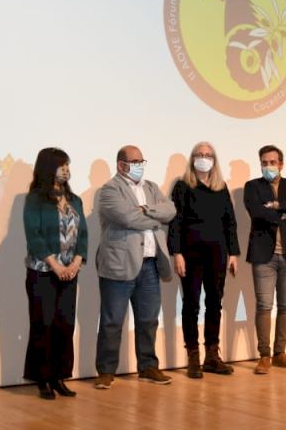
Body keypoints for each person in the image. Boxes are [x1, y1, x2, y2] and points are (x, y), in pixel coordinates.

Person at [93, 145, 176, 389]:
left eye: (141, 161)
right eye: (134, 161)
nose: (139, 165)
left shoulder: (151, 187)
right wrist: (154, 218)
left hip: (150, 265)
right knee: (112, 321)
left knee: (148, 320)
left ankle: (148, 367)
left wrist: (146, 210)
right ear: (121, 165)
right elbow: (127, 218)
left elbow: (170, 211)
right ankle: (106, 371)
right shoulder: (109, 190)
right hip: (119, 265)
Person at [168, 142, 240, 379]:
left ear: (214, 160)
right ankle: (193, 356)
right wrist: (176, 253)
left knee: (215, 303)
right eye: (199, 154)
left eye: (208, 155)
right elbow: (176, 222)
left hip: (218, 252)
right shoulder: (182, 186)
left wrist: (233, 253)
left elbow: (230, 221)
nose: (203, 158)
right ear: (192, 158)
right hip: (190, 254)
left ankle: (212, 356)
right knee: (191, 304)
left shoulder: (221, 187)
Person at [22, 148, 87, 400]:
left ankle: (60, 376)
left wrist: (76, 262)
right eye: (62, 165)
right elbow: (34, 235)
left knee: (64, 325)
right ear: (48, 168)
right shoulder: (35, 199)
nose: (66, 170)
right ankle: (43, 379)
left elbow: (83, 235)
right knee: (44, 324)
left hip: (70, 273)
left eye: (68, 165)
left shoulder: (75, 200)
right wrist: (55, 265)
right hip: (43, 272)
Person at [243, 144, 286, 375]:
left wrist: (277, 205)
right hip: (263, 255)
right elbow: (257, 213)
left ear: (281, 164)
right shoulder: (252, 187)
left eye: (272, 162)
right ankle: (264, 355)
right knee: (264, 306)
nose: (268, 166)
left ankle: (280, 354)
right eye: (264, 163)